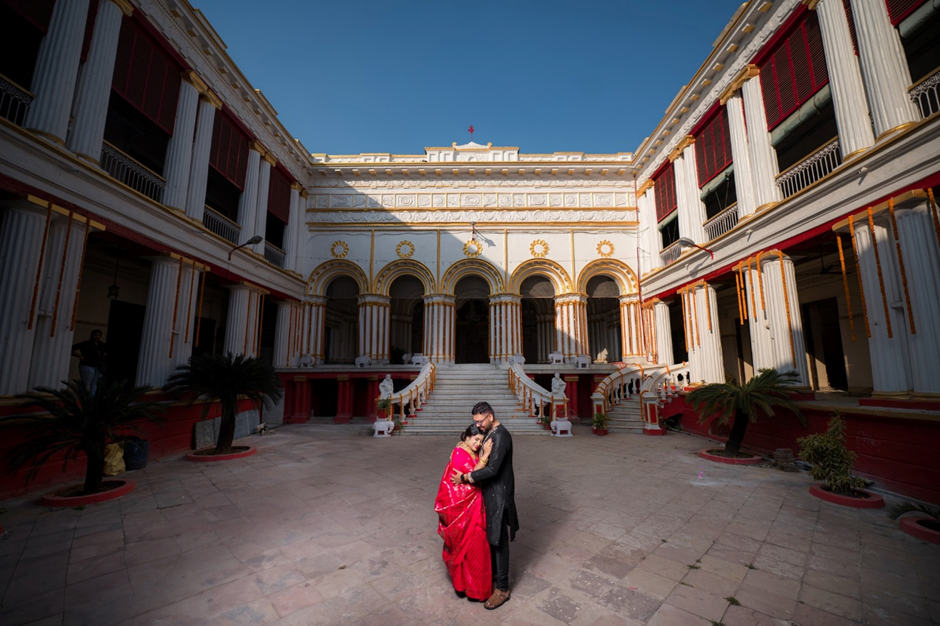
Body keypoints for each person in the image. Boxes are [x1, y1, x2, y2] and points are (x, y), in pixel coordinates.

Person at [451, 401, 519, 610]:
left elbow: (492, 470)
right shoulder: (491, 432)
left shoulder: (501, 435)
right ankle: (493, 577)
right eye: (476, 422)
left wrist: (466, 477)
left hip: (499, 495)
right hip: (490, 494)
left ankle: (503, 589)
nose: (478, 425)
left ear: (490, 416)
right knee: (492, 539)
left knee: (499, 542)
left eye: (481, 421)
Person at [434, 425, 494, 602]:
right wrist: (485, 457)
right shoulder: (460, 453)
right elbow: (475, 476)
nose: (477, 444)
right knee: (473, 545)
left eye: (481, 442)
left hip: (473, 507)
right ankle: (467, 587)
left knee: (477, 547)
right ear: (466, 437)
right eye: (475, 439)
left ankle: (475, 588)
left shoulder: (468, 451)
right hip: (464, 510)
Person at [72, 330, 107, 395]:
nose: (97, 337)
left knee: (94, 385)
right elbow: (72, 348)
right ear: (92, 335)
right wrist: (80, 356)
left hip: (98, 367)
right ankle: (84, 399)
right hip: (87, 365)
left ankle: (91, 400)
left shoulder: (102, 345)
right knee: (86, 384)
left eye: (99, 335)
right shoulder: (86, 343)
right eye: (95, 335)